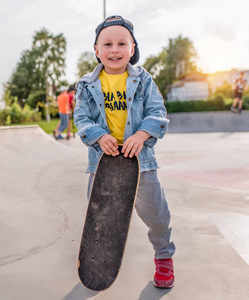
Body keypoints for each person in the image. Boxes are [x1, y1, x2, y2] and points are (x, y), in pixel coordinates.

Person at [73, 15, 176, 289]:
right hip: (102, 163)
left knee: (156, 214)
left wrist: (142, 134)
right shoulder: (86, 84)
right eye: (107, 44)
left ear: (133, 49)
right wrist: (99, 135)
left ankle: (164, 256)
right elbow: (82, 118)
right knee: (99, 217)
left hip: (141, 162)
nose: (114, 50)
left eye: (122, 43)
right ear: (97, 51)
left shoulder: (143, 81)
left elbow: (157, 112)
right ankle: (97, 263)